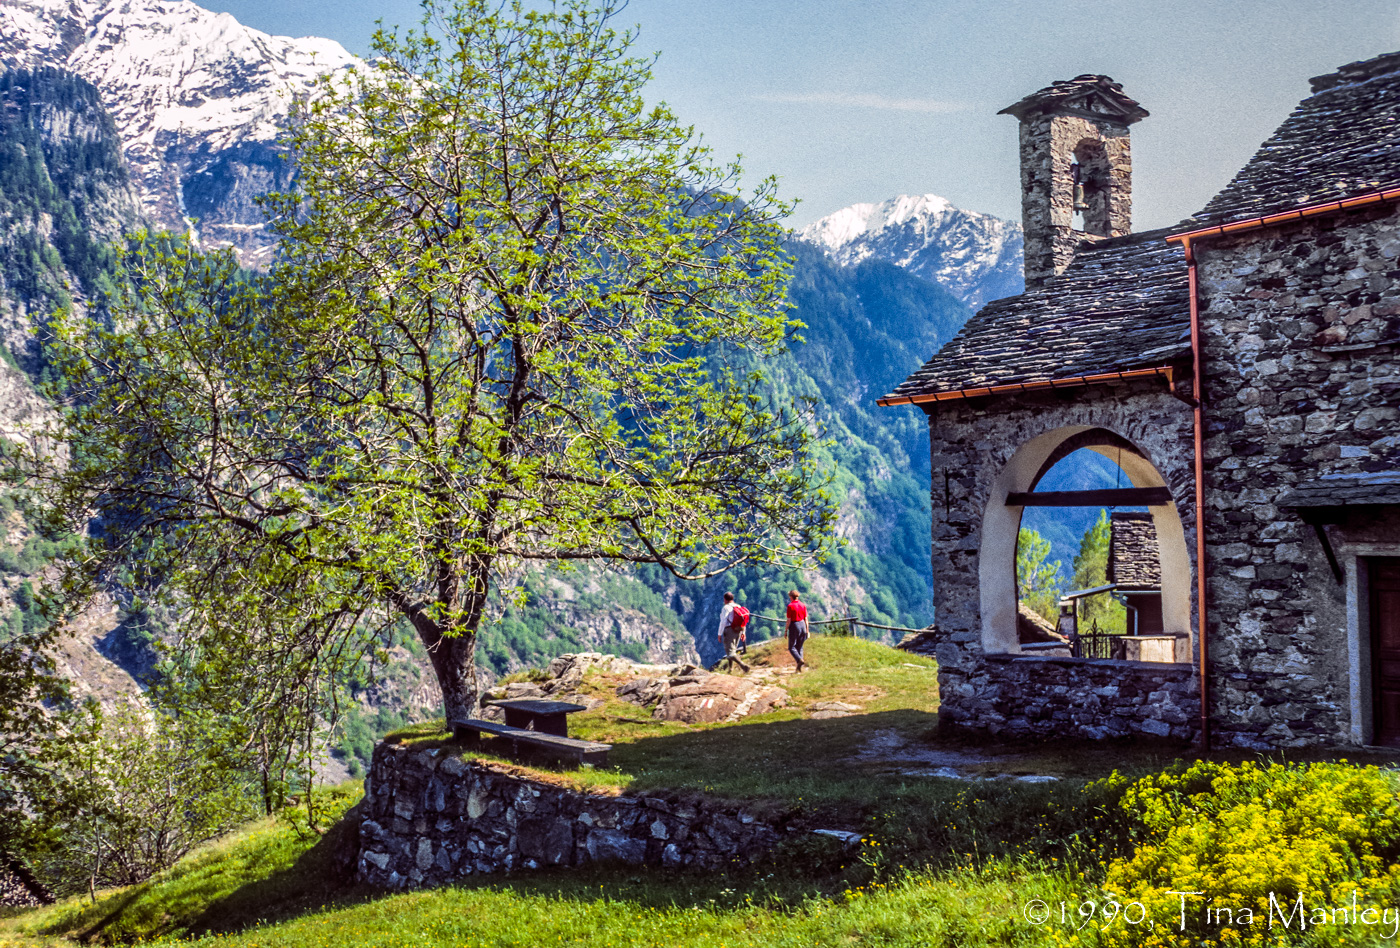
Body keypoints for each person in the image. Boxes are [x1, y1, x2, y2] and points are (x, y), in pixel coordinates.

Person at [716, 591, 751, 673]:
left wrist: (719, 634)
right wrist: (743, 632)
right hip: (738, 630)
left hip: (729, 630)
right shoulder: (738, 606)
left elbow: (723, 621)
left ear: (725, 599)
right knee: (732, 650)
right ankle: (730, 669)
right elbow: (743, 621)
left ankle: (743, 666)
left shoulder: (726, 608)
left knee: (730, 652)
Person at [786, 589, 809, 672]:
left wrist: (786, 631)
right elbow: (806, 619)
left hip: (794, 625)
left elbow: (789, 620)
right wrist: (807, 630)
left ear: (791, 597)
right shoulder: (803, 605)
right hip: (803, 625)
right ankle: (799, 668)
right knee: (800, 647)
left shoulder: (790, 606)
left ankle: (799, 660)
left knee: (791, 647)